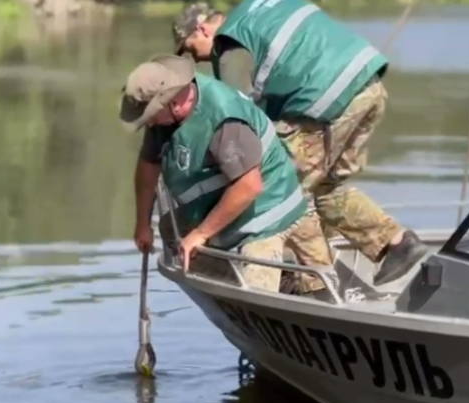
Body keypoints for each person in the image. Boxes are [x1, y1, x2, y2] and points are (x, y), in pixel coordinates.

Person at [170, 0, 428, 287]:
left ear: (202, 29)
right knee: (327, 188)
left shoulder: (229, 46)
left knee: (283, 185)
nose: (200, 60)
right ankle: (397, 244)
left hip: (327, 98)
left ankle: (314, 287)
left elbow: (240, 121)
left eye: (193, 50)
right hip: (369, 85)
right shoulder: (259, 8)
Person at [122, 54, 310, 293]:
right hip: (221, 200)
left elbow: (249, 186)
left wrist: (201, 234)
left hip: (266, 211)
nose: (148, 124)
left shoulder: (222, 119)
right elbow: (148, 166)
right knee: (172, 231)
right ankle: (231, 273)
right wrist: (142, 223)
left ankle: (282, 280)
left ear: (175, 103)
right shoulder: (165, 115)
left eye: (150, 116)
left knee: (254, 295)